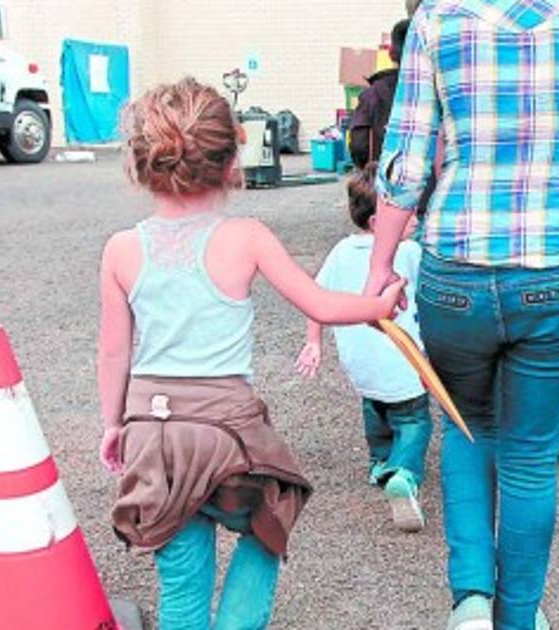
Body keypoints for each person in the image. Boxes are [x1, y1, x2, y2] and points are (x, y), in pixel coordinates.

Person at [366, 2, 559, 628]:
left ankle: (471, 601)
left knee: (467, 428)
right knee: (531, 456)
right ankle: (517, 616)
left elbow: (406, 159)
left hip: (455, 267)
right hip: (554, 268)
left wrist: (380, 263)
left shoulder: (436, 20)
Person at [97, 77, 406, 630]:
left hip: (151, 432)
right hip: (225, 431)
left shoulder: (121, 249)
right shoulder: (245, 236)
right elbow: (320, 303)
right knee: (272, 514)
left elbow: (113, 352)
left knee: (181, 577)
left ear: (143, 162)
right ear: (231, 163)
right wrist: (378, 305)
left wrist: (113, 425)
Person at [294, 164, 431, 533]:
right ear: (377, 222)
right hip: (403, 361)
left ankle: (379, 462)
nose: (415, 219)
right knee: (414, 420)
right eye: (407, 213)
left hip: (361, 364)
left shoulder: (341, 251)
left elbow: (315, 298)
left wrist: (313, 342)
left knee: (376, 409)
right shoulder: (409, 252)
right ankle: (404, 473)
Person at [349, 19, 411, 168]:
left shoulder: (373, 95)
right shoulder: (444, 91)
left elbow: (359, 146)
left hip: (383, 174)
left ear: (391, 54)